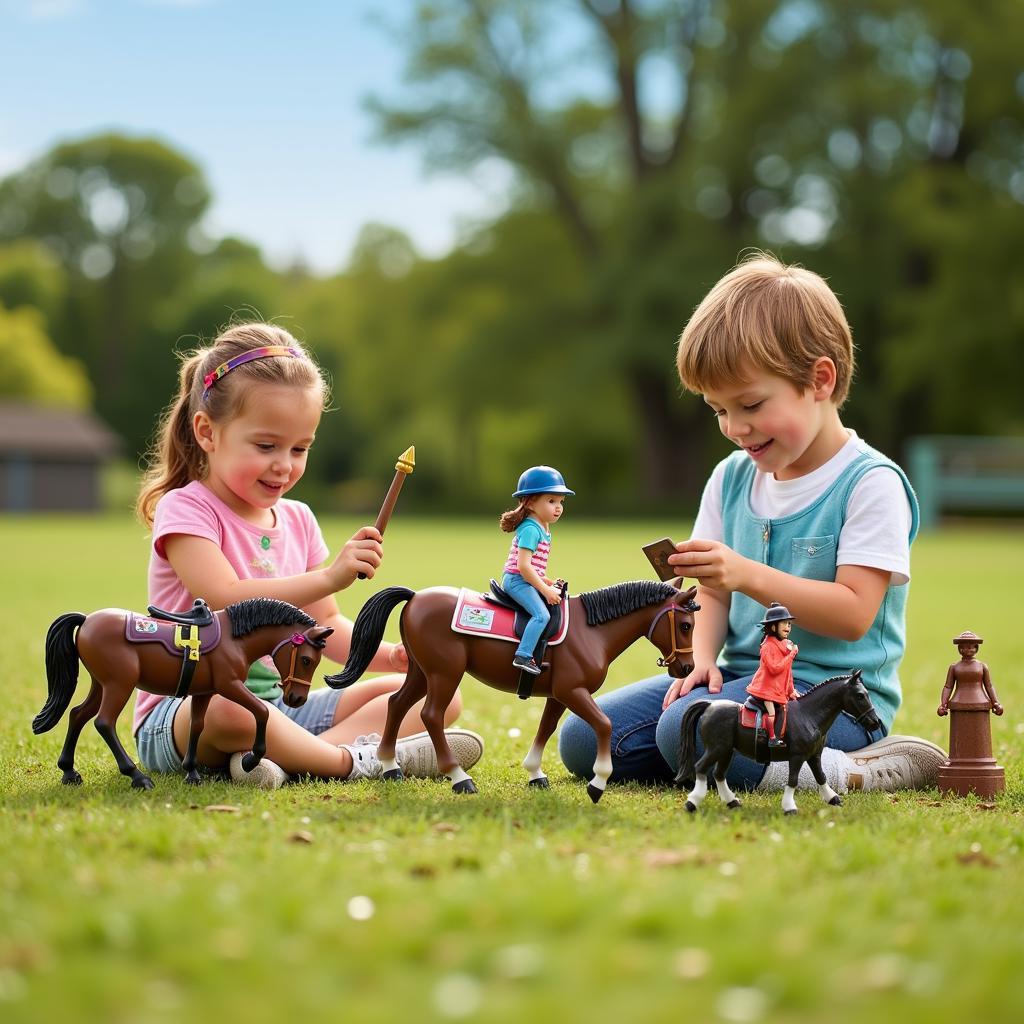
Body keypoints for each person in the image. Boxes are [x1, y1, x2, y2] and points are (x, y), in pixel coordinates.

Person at [560, 253, 945, 794]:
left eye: (750, 404)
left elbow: (855, 613)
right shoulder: (731, 478)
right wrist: (700, 662)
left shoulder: (870, 483)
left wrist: (746, 574)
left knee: (685, 731)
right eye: (717, 410)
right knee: (585, 737)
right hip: (745, 683)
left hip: (833, 698)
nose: (735, 428)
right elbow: (712, 594)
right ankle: (716, 755)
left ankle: (858, 769)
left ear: (819, 379)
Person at [133, 322, 483, 789]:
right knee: (232, 711)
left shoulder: (297, 519)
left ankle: (286, 757)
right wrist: (330, 577)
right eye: (266, 446)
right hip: (185, 708)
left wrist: (392, 655)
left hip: (281, 708)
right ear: (207, 432)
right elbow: (225, 595)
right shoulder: (187, 509)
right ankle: (346, 762)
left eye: (300, 448)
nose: (285, 464)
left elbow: (324, 628)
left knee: (436, 696)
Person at [499, 466, 573, 675]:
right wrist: (546, 591)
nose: (558, 508)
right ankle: (523, 655)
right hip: (516, 580)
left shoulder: (543, 527)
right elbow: (523, 566)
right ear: (530, 502)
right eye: (551, 501)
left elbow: (534, 566)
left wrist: (546, 581)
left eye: (560, 502)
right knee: (541, 615)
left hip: (525, 578)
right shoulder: (531, 529)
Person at [746, 603, 800, 748]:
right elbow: (775, 669)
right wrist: (792, 654)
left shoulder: (784, 645)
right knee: (773, 712)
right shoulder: (767, 647)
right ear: (773, 627)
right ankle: (771, 738)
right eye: (784, 623)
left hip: (777, 688)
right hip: (766, 689)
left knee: (785, 709)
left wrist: (791, 691)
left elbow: (787, 672)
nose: (788, 627)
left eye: (789, 623)